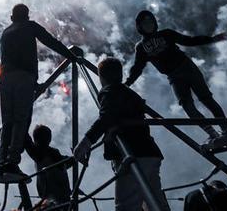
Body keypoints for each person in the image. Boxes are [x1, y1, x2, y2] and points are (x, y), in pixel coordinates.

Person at [126, 10, 227, 150]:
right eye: (145, 22)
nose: (148, 24)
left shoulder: (166, 34)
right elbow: (137, 67)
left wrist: (212, 39)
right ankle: (213, 134)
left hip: (187, 67)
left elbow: (189, 41)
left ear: (155, 22)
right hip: (173, 76)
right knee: (187, 106)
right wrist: (128, 83)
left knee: (206, 99)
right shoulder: (141, 47)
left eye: (150, 21)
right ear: (139, 26)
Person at [73, 57, 170, 211]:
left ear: (101, 77)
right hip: (150, 153)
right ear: (121, 74)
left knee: (126, 206)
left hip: (132, 154)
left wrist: (86, 142)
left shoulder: (109, 91)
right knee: (155, 204)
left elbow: (106, 117)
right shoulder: (131, 95)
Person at [0, 4, 73, 180]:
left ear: (12, 17)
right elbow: (50, 41)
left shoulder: (5, 33)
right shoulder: (30, 26)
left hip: (5, 77)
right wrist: (70, 56)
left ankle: (2, 165)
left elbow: (9, 58)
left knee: (7, 122)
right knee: (21, 119)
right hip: (24, 77)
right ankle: (12, 162)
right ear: (27, 16)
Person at [24, 125, 72, 205]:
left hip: (54, 196)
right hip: (59, 196)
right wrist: (74, 158)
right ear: (49, 139)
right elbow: (66, 162)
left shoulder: (40, 153)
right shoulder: (50, 153)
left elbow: (27, 141)